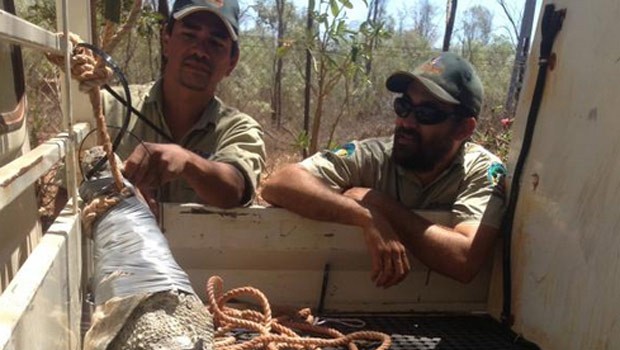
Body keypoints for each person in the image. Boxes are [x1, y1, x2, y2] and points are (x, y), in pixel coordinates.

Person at [261, 52, 506, 288]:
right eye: (403, 106)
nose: (406, 122)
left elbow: (463, 260)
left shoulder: (482, 170)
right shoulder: (372, 155)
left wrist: (381, 205)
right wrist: (365, 216)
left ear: (463, 129)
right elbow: (279, 184)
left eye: (426, 113)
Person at [102, 0, 265, 210]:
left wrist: (188, 163)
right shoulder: (110, 109)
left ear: (232, 62)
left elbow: (234, 188)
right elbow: (66, 199)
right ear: (166, 39)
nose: (200, 52)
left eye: (215, 43)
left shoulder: (238, 129)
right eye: (189, 35)